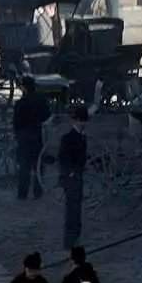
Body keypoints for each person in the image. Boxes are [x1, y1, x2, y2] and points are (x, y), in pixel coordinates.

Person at [12, 76, 51, 200]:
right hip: (37, 134)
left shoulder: (20, 103)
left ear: (24, 87)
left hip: (24, 135)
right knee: (38, 165)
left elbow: (16, 122)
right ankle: (37, 192)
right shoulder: (41, 100)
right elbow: (46, 116)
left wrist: (17, 135)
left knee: (24, 167)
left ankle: (22, 194)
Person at [59, 104, 89, 247]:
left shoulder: (83, 137)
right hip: (71, 178)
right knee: (72, 209)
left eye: (84, 121)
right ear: (75, 121)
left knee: (77, 209)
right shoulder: (68, 138)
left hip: (78, 177)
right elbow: (63, 158)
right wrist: (70, 173)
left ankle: (76, 236)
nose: (83, 123)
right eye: (81, 121)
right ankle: (69, 240)